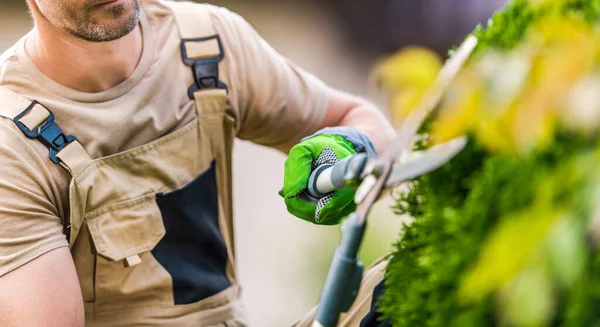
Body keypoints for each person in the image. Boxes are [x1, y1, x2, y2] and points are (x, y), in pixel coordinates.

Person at [0, 0, 395, 326]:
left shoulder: (206, 43)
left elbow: (359, 120)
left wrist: (349, 150)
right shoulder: (10, 142)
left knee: (405, 282)